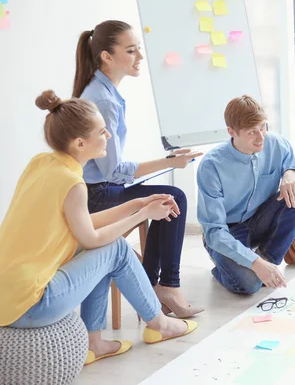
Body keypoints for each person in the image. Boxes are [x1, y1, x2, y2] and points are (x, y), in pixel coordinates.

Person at [0, 91, 197, 365]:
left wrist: (138, 202)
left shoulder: (40, 164)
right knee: (114, 247)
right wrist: (142, 213)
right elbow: (91, 239)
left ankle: (95, 343)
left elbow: (82, 225)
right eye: (103, 132)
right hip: (31, 305)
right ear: (80, 143)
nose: (108, 137)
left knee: (107, 247)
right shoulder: (72, 183)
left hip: (8, 297)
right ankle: (160, 324)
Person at [73, 20, 203, 317]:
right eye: (131, 51)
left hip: (99, 188)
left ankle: (154, 285)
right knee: (174, 198)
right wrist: (169, 162)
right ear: (107, 56)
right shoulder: (103, 101)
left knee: (169, 197)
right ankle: (163, 286)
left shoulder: (102, 92)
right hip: (96, 195)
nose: (140, 58)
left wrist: (169, 160)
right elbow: (112, 171)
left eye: (138, 49)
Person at [197, 95, 295, 295]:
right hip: (227, 232)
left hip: (261, 219)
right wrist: (253, 263)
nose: (261, 137)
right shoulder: (211, 166)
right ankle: (226, 268)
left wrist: (292, 172)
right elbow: (215, 233)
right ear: (232, 132)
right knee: (250, 285)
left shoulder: (276, 144)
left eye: (263, 127)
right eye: (252, 132)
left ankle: (267, 260)